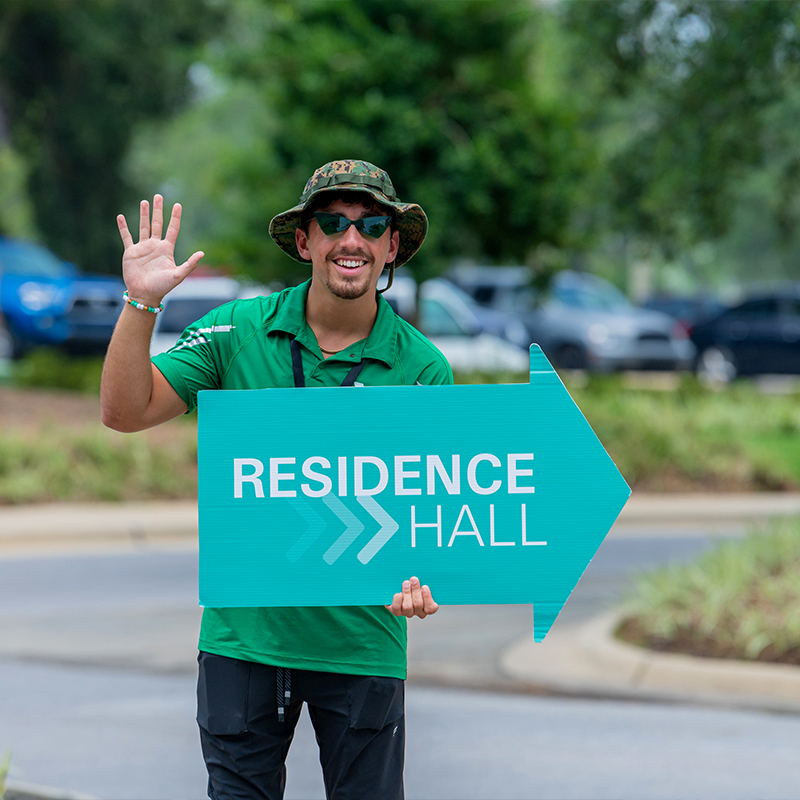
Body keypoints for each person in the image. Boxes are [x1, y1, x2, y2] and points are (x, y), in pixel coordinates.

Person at [100, 159, 452, 800]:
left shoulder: (423, 368)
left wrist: (430, 578)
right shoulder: (234, 332)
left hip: (361, 648)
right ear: (304, 239)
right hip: (244, 643)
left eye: (372, 225)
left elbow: (433, 512)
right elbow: (124, 411)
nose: (353, 240)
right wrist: (143, 301)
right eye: (333, 223)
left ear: (392, 245)